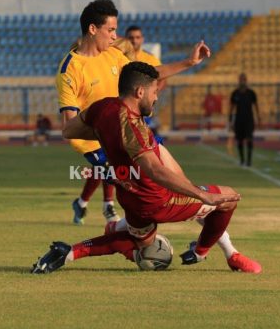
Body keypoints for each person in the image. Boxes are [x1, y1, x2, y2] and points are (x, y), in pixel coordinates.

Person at [33, 62, 261, 274]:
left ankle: (68, 253)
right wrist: (203, 195)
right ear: (139, 92)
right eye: (155, 92)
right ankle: (201, 252)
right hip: (159, 200)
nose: (156, 97)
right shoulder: (132, 127)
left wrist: (105, 133)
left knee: (142, 245)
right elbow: (155, 170)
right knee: (228, 198)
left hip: (130, 198)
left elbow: (69, 130)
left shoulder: (103, 108)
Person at [56, 0, 210, 225]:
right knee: (149, 189)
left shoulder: (113, 55)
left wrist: (189, 62)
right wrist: (108, 129)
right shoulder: (70, 70)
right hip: (100, 147)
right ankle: (116, 230)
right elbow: (69, 129)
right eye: (110, 30)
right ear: (92, 29)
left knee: (177, 176)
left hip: (132, 131)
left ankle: (217, 239)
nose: (114, 36)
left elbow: (147, 74)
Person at [229, 73, 260, 167]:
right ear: (239, 80)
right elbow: (232, 107)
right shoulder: (235, 93)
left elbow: (256, 106)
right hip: (238, 120)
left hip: (249, 120)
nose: (242, 81)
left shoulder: (251, 93)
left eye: (244, 79)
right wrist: (230, 120)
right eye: (241, 79)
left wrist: (259, 118)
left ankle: (249, 161)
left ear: (246, 80)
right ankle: (242, 160)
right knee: (240, 140)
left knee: (249, 139)